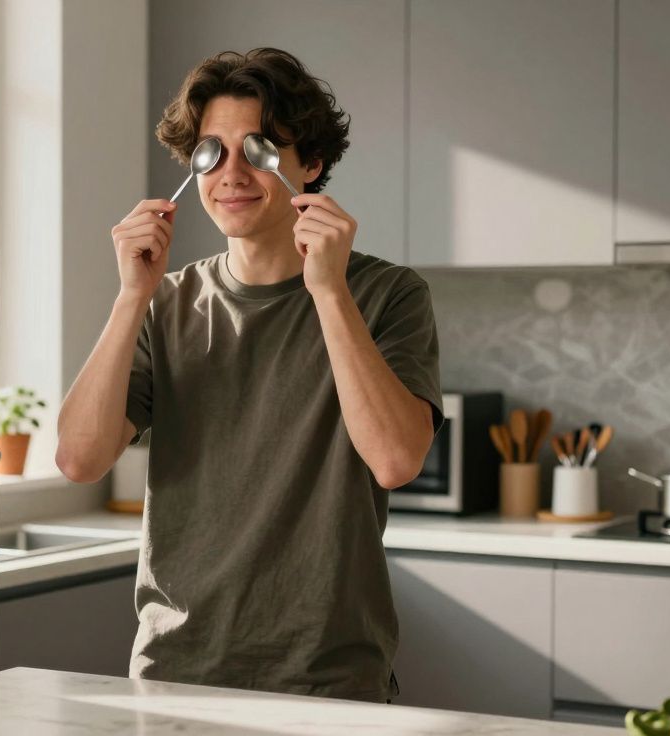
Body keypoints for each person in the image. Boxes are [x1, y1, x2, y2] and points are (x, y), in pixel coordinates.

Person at [55, 47, 442, 703]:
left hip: (328, 683)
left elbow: (396, 460)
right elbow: (79, 459)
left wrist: (329, 292)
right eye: (211, 153)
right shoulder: (166, 302)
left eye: (258, 150)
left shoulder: (384, 295)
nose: (230, 174)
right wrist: (130, 297)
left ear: (309, 165)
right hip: (173, 674)